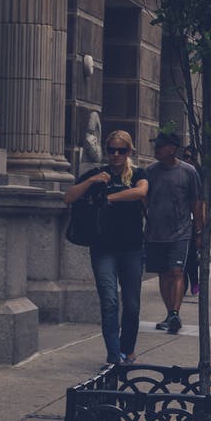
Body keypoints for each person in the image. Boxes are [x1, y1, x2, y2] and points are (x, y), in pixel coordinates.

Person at [63, 130, 148, 366]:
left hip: (132, 248)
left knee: (131, 305)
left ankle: (127, 350)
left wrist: (112, 197)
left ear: (129, 151)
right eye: (112, 150)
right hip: (103, 248)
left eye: (122, 150)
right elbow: (68, 197)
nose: (116, 155)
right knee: (109, 301)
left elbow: (142, 191)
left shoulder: (139, 173)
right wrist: (91, 181)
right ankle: (113, 356)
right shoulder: (97, 174)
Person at [144, 131, 203, 334]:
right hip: (155, 233)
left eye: (160, 146)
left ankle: (175, 313)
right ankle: (170, 314)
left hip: (181, 232)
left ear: (172, 149)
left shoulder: (188, 172)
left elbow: (196, 202)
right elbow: (143, 197)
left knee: (177, 272)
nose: (156, 149)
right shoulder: (150, 171)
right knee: (163, 274)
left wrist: (199, 231)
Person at [181, 145, 201, 296]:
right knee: (182, 256)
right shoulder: (180, 173)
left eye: (189, 157)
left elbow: (202, 201)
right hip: (180, 218)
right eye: (185, 156)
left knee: (192, 255)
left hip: (193, 221)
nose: (186, 159)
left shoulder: (198, 175)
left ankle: (194, 281)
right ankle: (184, 283)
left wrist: (201, 226)